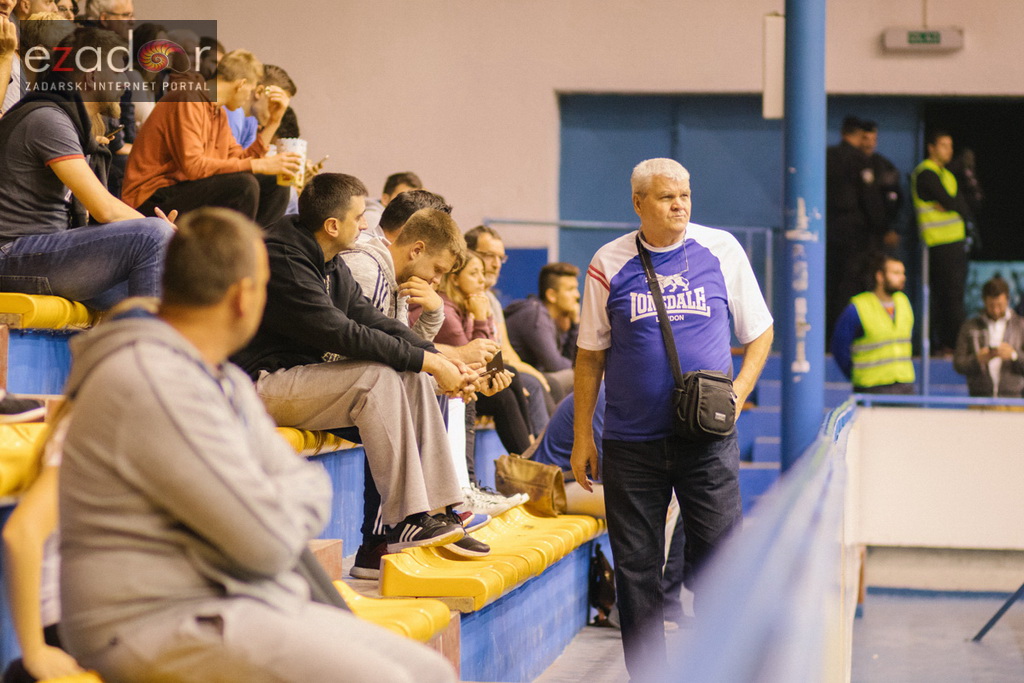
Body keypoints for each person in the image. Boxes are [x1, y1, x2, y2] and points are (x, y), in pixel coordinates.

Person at [57, 207, 456, 683]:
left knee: (427, 670)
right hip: (151, 618)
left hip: (225, 595)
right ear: (246, 297)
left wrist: (282, 498)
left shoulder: (220, 377)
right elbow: (267, 544)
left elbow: (279, 512)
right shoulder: (151, 378)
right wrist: (287, 497)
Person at [571, 158, 773, 680]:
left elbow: (760, 332)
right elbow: (590, 355)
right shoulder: (607, 262)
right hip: (630, 444)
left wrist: (738, 392)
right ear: (638, 203)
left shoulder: (721, 249)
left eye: (685, 194)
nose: (680, 204)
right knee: (637, 571)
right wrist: (581, 439)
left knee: (720, 561)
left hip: (706, 441)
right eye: (666, 197)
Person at [231, 173, 490, 559]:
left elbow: (374, 320)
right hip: (258, 385)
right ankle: (401, 522)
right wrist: (430, 360)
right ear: (333, 225)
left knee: (411, 376)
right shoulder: (284, 257)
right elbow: (340, 333)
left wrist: (433, 360)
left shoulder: (330, 261)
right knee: (377, 378)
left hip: (299, 382)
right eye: (359, 217)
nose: (367, 224)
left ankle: (439, 509)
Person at [0, 27, 174, 310]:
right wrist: (172, 235)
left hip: (41, 252)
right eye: (118, 73)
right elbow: (104, 209)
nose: (125, 85)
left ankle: (132, 350)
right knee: (153, 236)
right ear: (91, 75)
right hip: (10, 256)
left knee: (169, 276)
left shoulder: (65, 119)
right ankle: (149, 350)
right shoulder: (47, 118)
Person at [122, 49, 301, 227]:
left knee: (276, 184)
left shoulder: (218, 114)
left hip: (184, 187)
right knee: (244, 186)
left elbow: (241, 160)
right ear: (241, 84)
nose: (248, 97)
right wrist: (257, 165)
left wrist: (274, 123)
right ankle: (238, 252)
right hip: (150, 196)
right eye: (251, 90)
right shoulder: (188, 99)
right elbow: (192, 166)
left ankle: (259, 248)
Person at [413, 251, 536, 456]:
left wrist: (484, 316)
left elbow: (492, 353)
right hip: (435, 381)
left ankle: (531, 453)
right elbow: (478, 360)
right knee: (502, 397)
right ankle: (527, 462)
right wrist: (481, 317)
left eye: (482, 273)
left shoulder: (464, 305)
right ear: (455, 279)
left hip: (456, 378)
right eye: (474, 273)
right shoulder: (447, 312)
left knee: (512, 376)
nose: (482, 279)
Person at [465, 225, 554, 431]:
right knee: (529, 384)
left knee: (545, 381)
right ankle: (537, 457)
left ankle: (547, 452)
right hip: (473, 375)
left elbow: (504, 349)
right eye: (489, 256)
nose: (496, 265)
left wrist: (535, 373)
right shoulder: (464, 299)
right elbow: (483, 352)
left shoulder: (492, 300)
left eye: (500, 258)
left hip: (493, 370)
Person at [826, 116, 888, 338]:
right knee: (850, 287)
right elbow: (870, 199)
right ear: (857, 135)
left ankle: (826, 338)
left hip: (828, 231)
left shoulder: (827, 156)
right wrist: (881, 228)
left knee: (829, 286)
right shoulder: (860, 161)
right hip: (855, 235)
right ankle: (847, 335)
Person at [912, 128, 971, 355]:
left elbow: (962, 206)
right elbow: (952, 202)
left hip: (955, 244)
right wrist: (952, 203)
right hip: (938, 244)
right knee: (947, 297)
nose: (949, 151)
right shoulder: (926, 173)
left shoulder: (946, 174)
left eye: (951, 146)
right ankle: (952, 345)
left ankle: (951, 344)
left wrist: (952, 204)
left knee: (955, 295)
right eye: (944, 145)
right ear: (931, 148)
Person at [830, 255, 915, 394]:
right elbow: (839, 347)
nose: (902, 277)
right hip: (871, 387)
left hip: (904, 384)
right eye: (896, 273)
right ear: (880, 276)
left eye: (903, 273)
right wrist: (857, 373)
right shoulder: (858, 307)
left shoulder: (904, 302)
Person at [504, 262, 581, 403]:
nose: (577, 295)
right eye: (570, 289)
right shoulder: (535, 315)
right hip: (518, 379)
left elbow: (569, 358)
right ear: (551, 295)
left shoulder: (549, 317)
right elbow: (555, 365)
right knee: (583, 376)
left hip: (534, 378)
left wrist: (575, 325)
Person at [953, 276, 1024, 398]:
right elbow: (958, 364)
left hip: (1013, 399)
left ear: (1008, 300)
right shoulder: (970, 326)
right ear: (984, 301)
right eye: (991, 305)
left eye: (1000, 305)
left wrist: (1014, 355)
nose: (996, 310)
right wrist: (978, 359)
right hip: (979, 399)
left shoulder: (1020, 326)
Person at [858, 119, 902, 252]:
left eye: (873, 139)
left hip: (878, 234)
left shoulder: (883, 165)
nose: (870, 144)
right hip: (853, 232)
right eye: (866, 139)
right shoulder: (846, 163)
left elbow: (894, 199)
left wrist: (890, 229)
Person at [363, 171, 423, 238]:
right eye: (402, 198)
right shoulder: (373, 218)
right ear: (385, 199)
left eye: (413, 200)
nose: (409, 204)